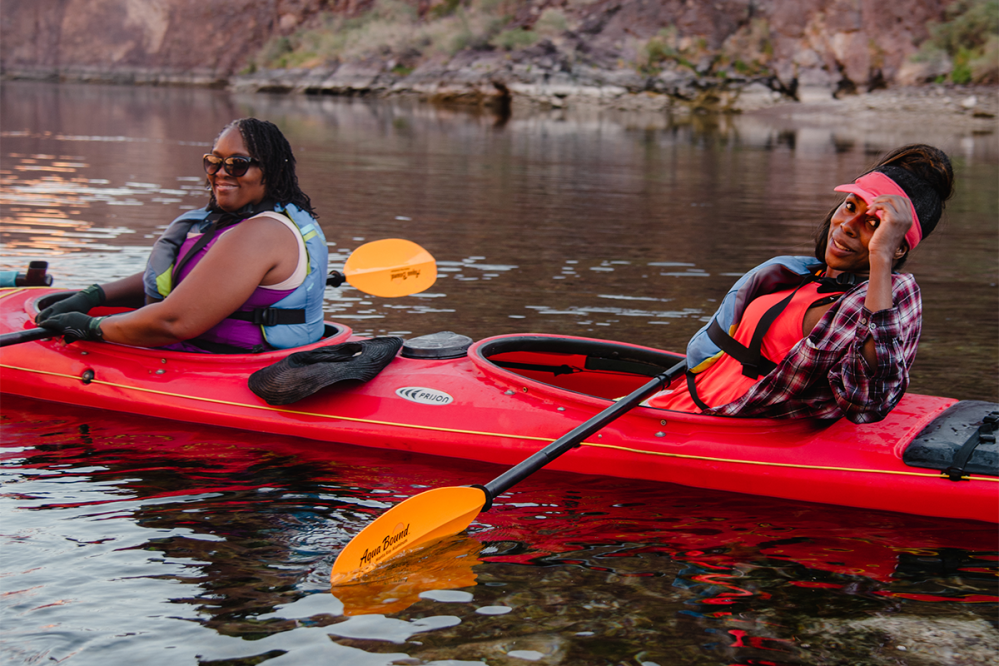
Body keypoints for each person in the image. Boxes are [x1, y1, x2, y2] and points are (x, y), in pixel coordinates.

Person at [647, 144, 954, 424]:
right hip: (679, 401)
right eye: (850, 207)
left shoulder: (867, 309)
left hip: (720, 423)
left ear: (897, 247)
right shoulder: (805, 274)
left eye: (872, 224)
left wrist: (881, 255)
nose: (847, 227)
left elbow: (867, 400)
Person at [36, 118, 329, 353]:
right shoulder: (239, 220)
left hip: (228, 366)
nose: (221, 173)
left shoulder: (262, 232)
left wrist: (92, 327)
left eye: (237, 164)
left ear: (273, 171)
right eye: (214, 162)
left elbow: (173, 322)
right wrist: (94, 296)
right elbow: (195, 278)